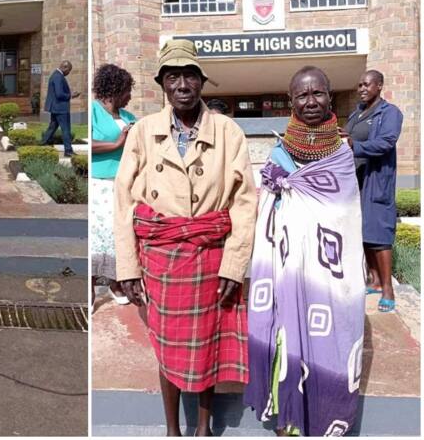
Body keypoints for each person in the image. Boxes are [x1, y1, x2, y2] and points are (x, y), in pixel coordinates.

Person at [114, 39, 256, 436]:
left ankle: (204, 427)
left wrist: (234, 265)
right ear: (162, 83)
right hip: (160, 258)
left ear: (201, 82)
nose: (182, 85)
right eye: (172, 77)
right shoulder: (143, 132)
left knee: (207, 343)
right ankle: (172, 429)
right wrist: (128, 265)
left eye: (189, 76)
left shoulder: (229, 132)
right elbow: (124, 199)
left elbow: (245, 203)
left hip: (211, 255)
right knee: (168, 345)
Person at [244, 66, 366, 436]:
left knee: (330, 342)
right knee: (286, 337)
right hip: (287, 266)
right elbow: (267, 208)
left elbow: (345, 214)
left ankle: (325, 416)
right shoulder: (280, 152)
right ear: (291, 99)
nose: (310, 101)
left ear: (330, 96)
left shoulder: (343, 154)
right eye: (302, 95)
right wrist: (279, 189)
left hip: (328, 272)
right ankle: (289, 419)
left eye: (318, 94)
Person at [342, 69, 403, 313]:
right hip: (355, 180)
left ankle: (388, 289)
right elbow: (350, 137)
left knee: (379, 234)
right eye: (359, 85)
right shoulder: (358, 112)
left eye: (367, 84)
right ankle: (375, 281)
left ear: (379, 85)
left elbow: (387, 142)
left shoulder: (390, 113)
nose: (362, 89)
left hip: (376, 179)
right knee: (364, 231)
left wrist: (355, 144)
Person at [90, 63, 136, 306]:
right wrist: (117, 143)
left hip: (123, 184)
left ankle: (115, 283)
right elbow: (88, 145)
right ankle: (90, 284)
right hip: (100, 183)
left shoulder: (128, 117)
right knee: (98, 235)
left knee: (119, 233)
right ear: (116, 88)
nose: (130, 96)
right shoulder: (94, 111)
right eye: (127, 90)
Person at [41, 61, 79, 157]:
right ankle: (68, 151)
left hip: (56, 107)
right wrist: (71, 95)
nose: (69, 73)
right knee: (66, 129)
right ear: (65, 68)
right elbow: (59, 94)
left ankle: (42, 144)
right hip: (61, 108)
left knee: (52, 127)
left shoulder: (55, 75)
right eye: (69, 70)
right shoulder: (58, 76)